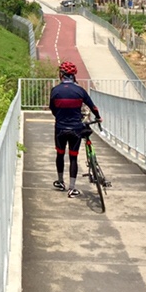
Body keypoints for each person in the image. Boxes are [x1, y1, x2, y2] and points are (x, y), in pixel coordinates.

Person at [49, 60, 101, 198]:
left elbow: (52, 108)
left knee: (60, 154)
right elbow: (93, 107)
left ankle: (60, 182)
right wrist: (98, 117)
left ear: (62, 75)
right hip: (76, 129)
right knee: (73, 157)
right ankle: (72, 189)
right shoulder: (80, 91)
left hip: (60, 128)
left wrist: (60, 117)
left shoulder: (55, 91)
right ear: (73, 76)